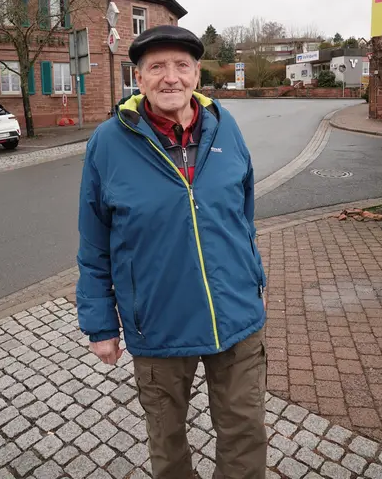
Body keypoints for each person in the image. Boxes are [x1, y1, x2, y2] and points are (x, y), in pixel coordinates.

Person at [77, 24, 267, 479]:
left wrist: (254, 281)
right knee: (167, 441)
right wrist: (101, 323)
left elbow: (244, 215)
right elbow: (94, 242)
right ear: (138, 79)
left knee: (245, 433)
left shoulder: (226, 126)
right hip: (157, 323)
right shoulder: (108, 142)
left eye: (182, 65)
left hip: (235, 316)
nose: (171, 77)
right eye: (157, 67)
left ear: (196, 75)